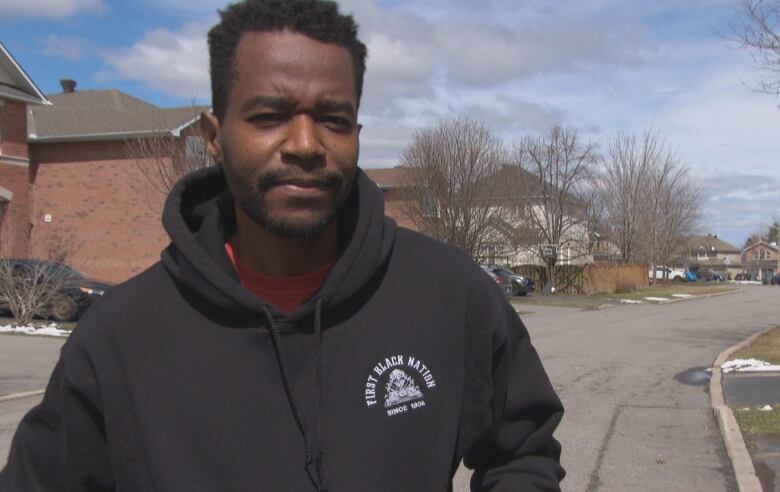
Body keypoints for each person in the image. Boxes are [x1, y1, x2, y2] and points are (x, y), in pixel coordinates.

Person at [0, 0, 564, 490]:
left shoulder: (448, 293)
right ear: (214, 136)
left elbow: (523, 451)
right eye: (270, 116)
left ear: (356, 136)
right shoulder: (120, 338)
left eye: (332, 118)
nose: (305, 144)